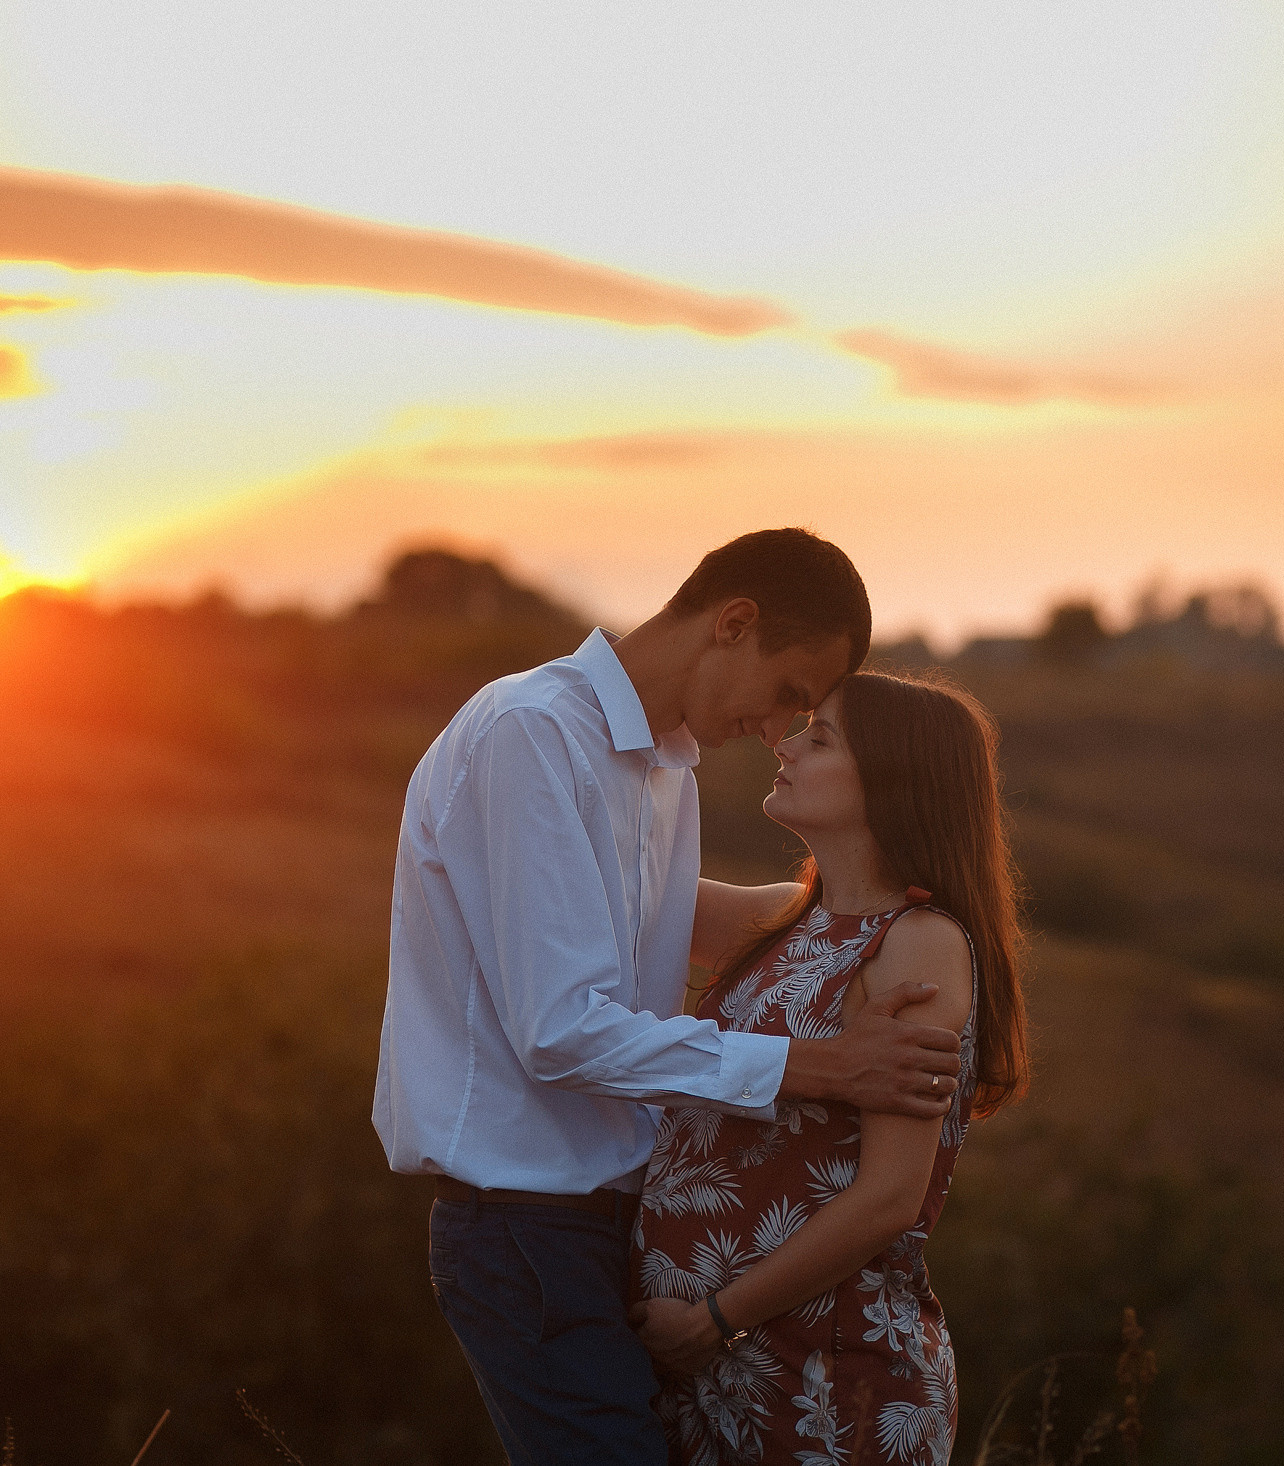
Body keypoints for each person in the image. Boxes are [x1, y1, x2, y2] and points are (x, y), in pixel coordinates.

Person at [374, 528, 965, 1465]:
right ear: (734, 623)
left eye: (806, 717)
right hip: (528, 1217)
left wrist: (910, 925)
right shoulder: (533, 733)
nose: (776, 731)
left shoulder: (663, 769)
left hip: (607, 1225)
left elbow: (721, 921)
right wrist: (821, 1067)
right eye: (788, 693)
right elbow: (560, 1032)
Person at [629, 670, 1028, 1466]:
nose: (785, 746)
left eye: (820, 738)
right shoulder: (785, 918)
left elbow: (890, 1197)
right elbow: (616, 889)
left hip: (825, 1373)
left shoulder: (918, 944)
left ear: (892, 779)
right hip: (713, 1368)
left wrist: (715, 1319)